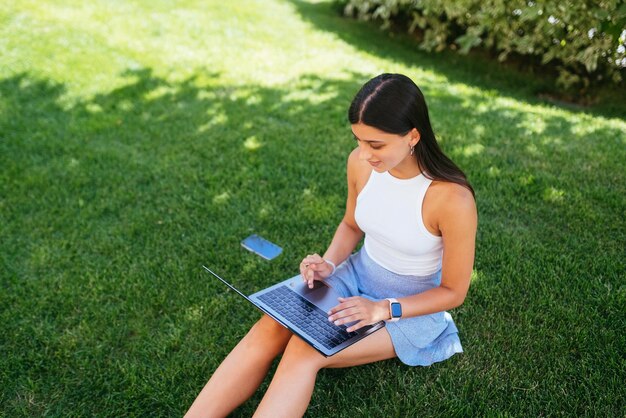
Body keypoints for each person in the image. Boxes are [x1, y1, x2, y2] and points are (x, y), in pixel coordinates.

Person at [185, 73, 477, 418]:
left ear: (413, 135)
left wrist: (382, 309)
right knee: (271, 324)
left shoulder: (452, 199)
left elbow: (453, 292)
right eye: (359, 140)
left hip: (408, 308)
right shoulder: (360, 163)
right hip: (354, 276)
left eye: (376, 145)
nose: (364, 153)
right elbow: (351, 224)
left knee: (304, 350)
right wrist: (329, 263)